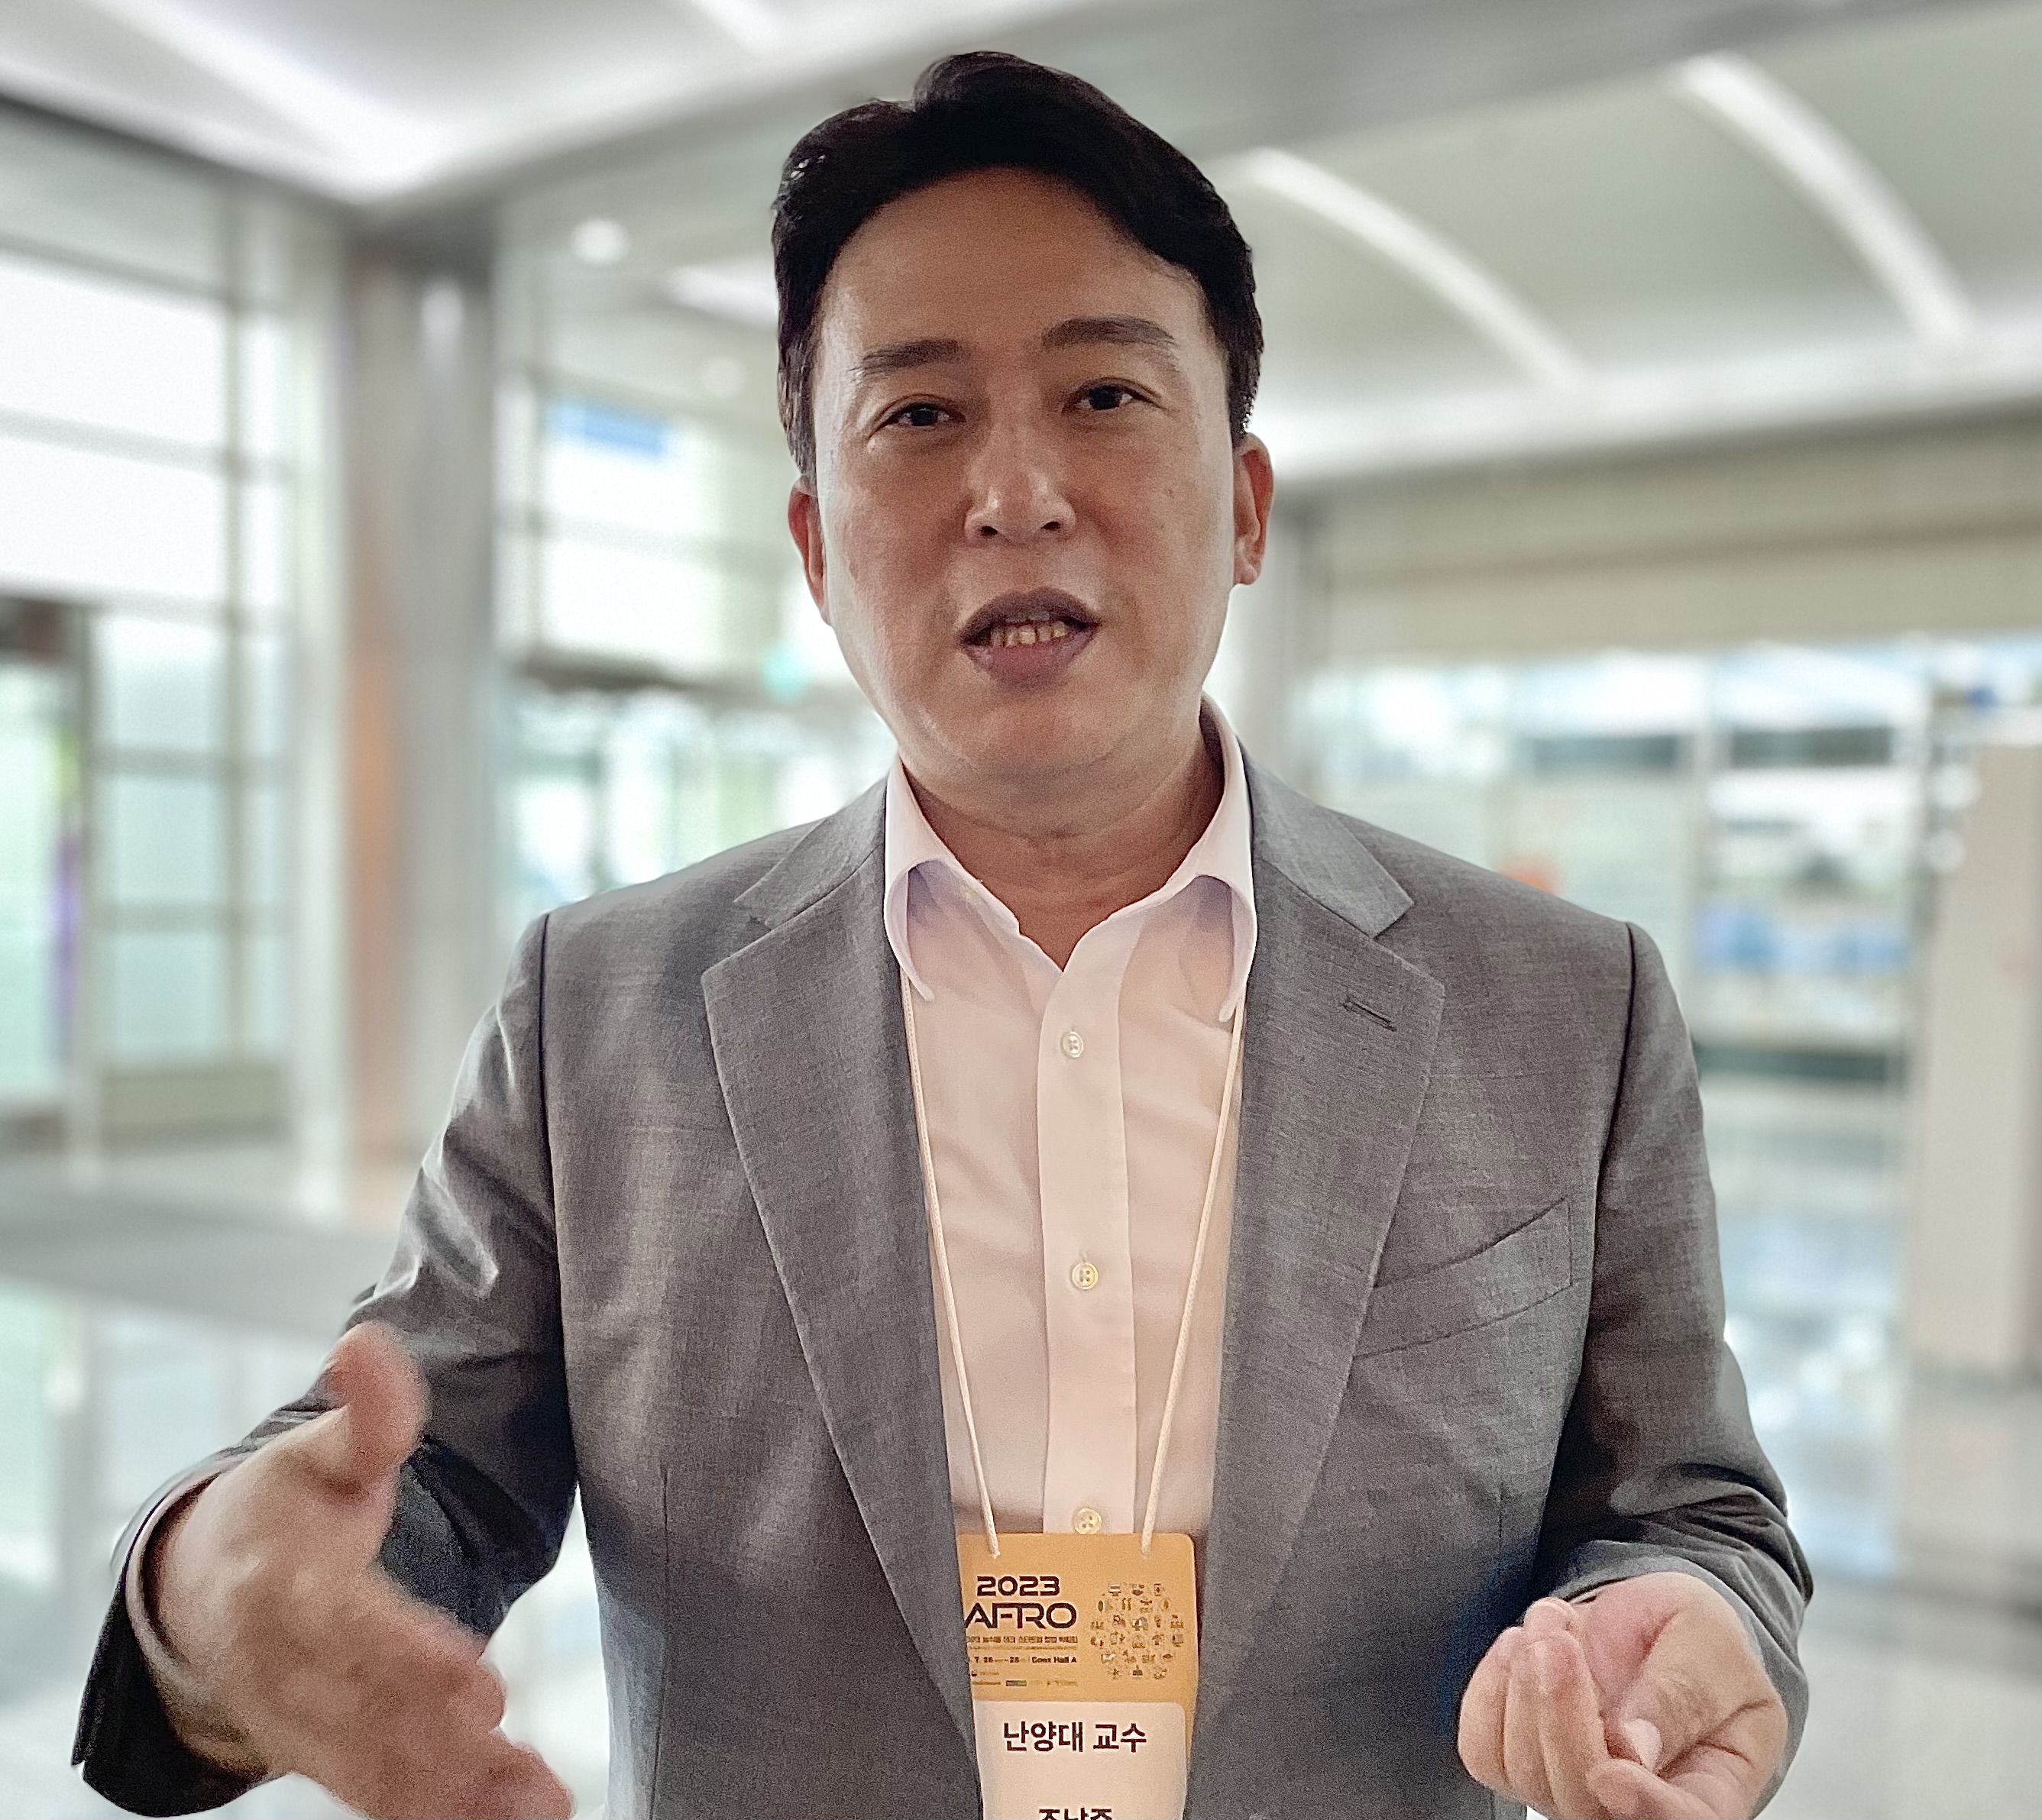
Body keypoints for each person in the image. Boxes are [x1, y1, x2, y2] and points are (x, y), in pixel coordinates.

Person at [73, 50, 1811, 1820]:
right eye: (917, 415)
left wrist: (1677, 1619)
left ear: (1244, 504)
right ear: (814, 549)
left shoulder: (1555, 1006)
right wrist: (217, 1590)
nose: (1014, 491)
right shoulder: (597, 1011)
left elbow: (1684, 1508)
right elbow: (409, 1481)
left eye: (1103, 395)